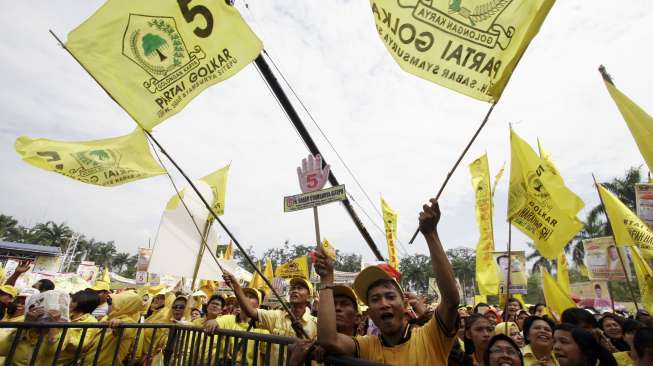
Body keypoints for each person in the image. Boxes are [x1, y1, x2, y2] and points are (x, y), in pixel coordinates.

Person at [315, 198, 460, 365]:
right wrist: (327, 279)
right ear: (369, 314)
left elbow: (451, 301)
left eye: (390, 296)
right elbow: (328, 340)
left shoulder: (431, 337)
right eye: (375, 300)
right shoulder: (366, 346)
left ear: (405, 305)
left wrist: (431, 234)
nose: (384, 304)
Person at [203, 288, 270, 366]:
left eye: (251, 297)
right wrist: (212, 322)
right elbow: (213, 323)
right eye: (244, 296)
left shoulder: (262, 328)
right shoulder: (228, 319)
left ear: (258, 305)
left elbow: (266, 357)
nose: (246, 299)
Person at [85, 292, 144, 365]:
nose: (107, 304)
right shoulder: (108, 317)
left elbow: (125, 332)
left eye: (110, 302)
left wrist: (119, 324)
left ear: (122, 306)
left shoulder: (129, 322)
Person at [51, 290, 101, 365]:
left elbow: (81, 345)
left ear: (84, 304)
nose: (70, 303)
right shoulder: (66, 315)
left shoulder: (91, 321)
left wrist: (64, 331)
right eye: (71, 299)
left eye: (74, 301)